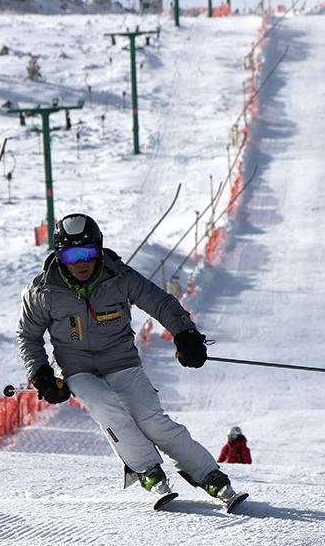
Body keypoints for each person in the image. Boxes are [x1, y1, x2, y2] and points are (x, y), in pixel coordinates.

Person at [16, 213, 244, 507]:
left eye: (88, 253)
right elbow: (27, 336)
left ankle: (211, 476)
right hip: (78, 368)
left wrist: (185, 334)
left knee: (154, 422)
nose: (82, 263)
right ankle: (147, 468)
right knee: (106, 406)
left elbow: (159, 302)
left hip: (121, 361)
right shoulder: (43, 292)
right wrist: (42, 375)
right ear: (59, 256)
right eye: (73, 255)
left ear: (99, 249)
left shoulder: (119, 278)